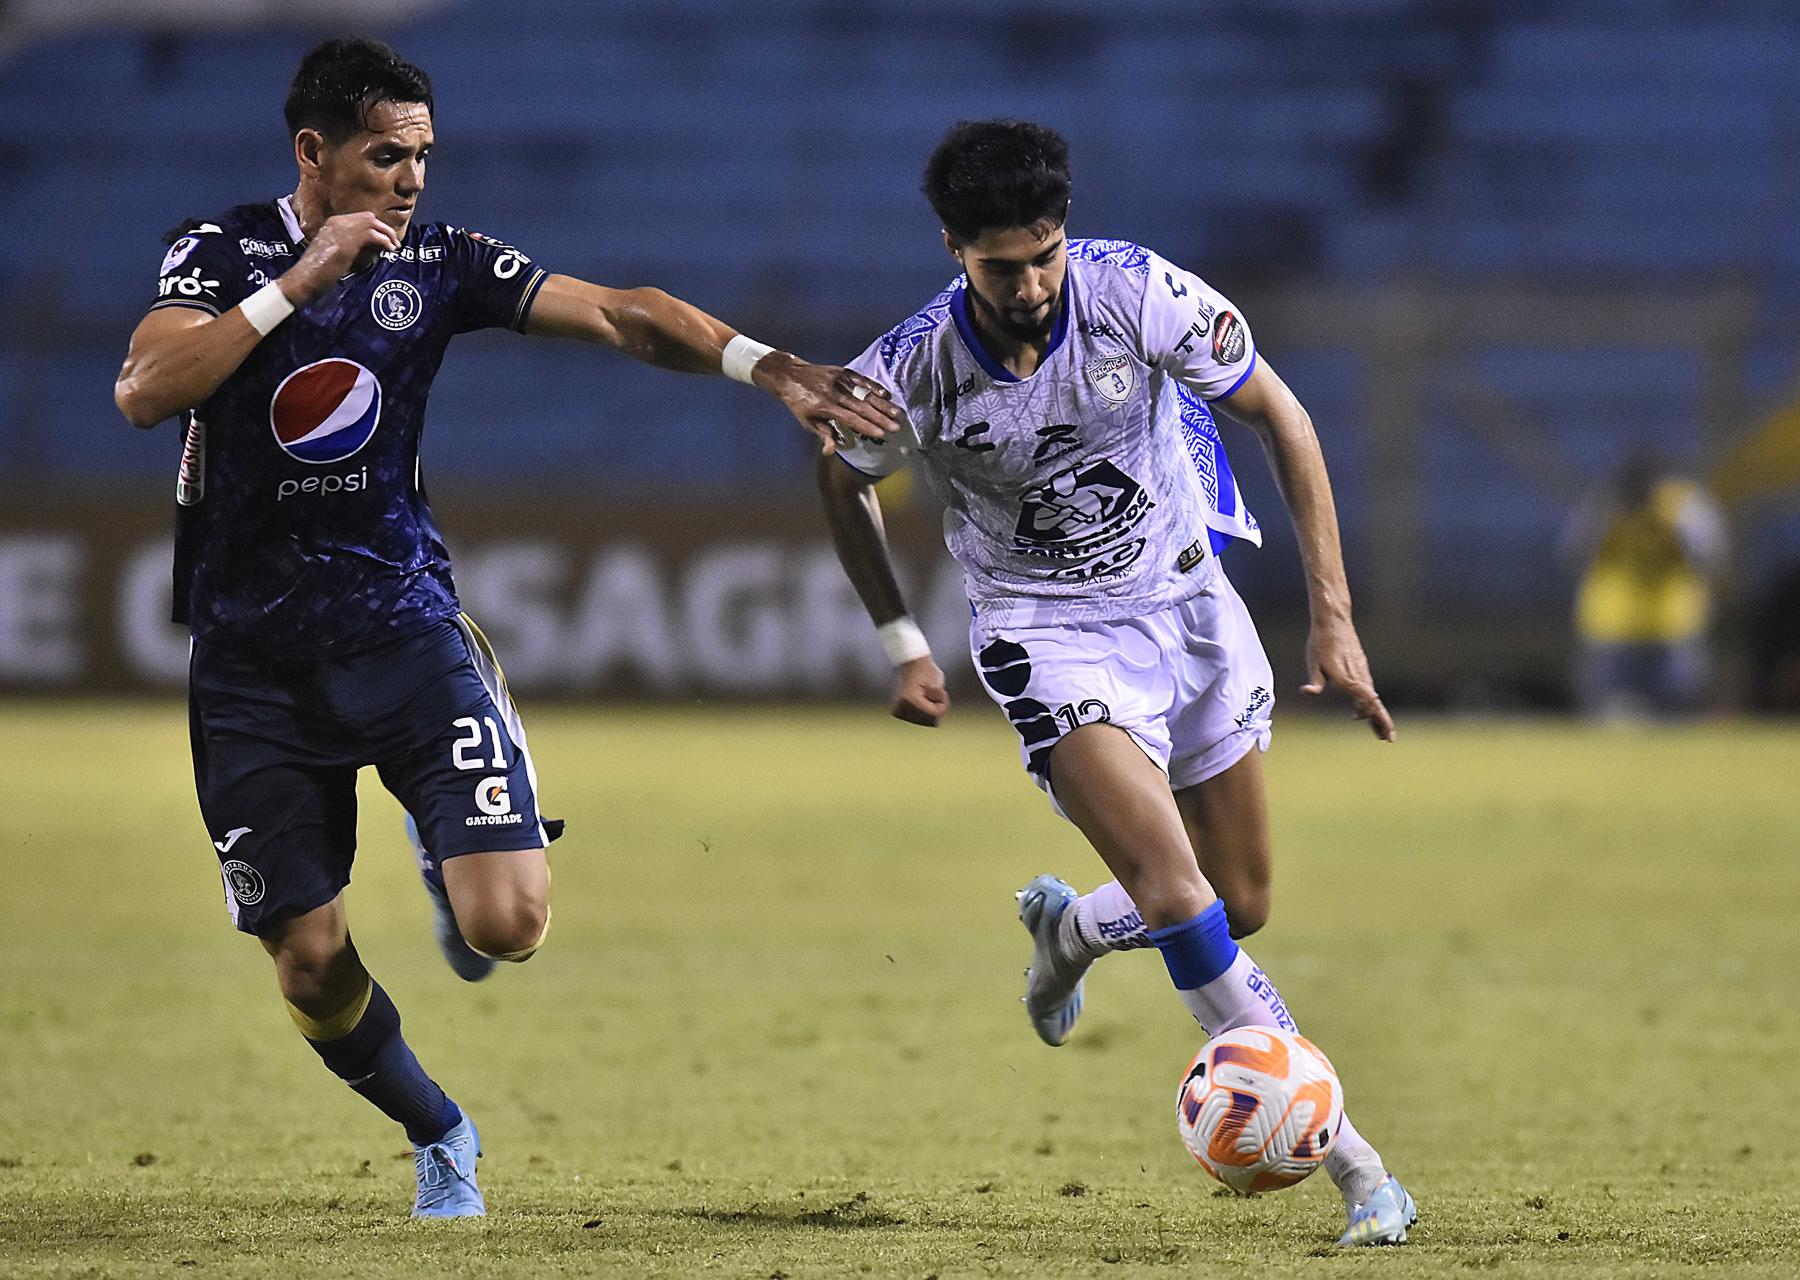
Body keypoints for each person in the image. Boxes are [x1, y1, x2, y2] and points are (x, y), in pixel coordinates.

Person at [112, 37, 898, 1219]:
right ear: (314, 153)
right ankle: (440, 1129)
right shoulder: (222, 250)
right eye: (388, 155)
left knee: (508, 920)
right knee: (311, 962)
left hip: (404, 629)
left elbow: (625, 314)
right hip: (251, 665)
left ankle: (459, 829)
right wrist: (299, 285)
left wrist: (768, 366)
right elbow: (144, 388)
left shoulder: (437, 259)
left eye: (424, 154)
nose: (413, 179)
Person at [815, 120, 1416, 1246]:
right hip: (1048, 639)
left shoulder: (1137, 291)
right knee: (1183, 897)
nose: (1033, 283)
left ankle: (1077, 932)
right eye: (1004, 265)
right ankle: (1362, 1171)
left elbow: (1281, 411)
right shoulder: (907, 372)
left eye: (1046, 253)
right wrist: (901, 635)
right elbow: (837, 478)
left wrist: (1333, 616)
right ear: (953, 247)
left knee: (1239, 899)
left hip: (1190, 608)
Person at [1560, 450, 1728, 719]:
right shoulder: (1604, 505)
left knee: (1679, 720)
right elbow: (1573, 552)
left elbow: (1712, 557)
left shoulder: (1684, 507)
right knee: (1605, 721)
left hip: (1671, 631)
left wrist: (1673, 531)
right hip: (1610, 631)